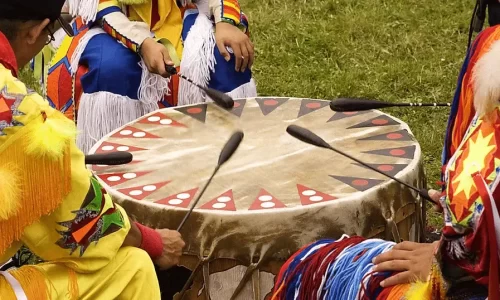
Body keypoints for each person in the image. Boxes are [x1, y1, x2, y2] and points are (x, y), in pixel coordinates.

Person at [272, 27, 500, 300]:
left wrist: (448, 263)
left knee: (313, 271)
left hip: (475, 283)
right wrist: (456, 203)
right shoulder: (490, 46)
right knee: (310, 265)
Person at [0, 0, 185, 299]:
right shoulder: (19, 115)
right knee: (132, 268)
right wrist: (153, 242)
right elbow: (79, 221)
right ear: (36, 31)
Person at [46, 0, 257, 154]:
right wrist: (143, 43)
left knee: (223, 60)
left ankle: (225, 157)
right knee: (113, 69)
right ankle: (113, 168)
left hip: (178, 12)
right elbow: (102, 7)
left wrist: (225, 22)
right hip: (112, 19)